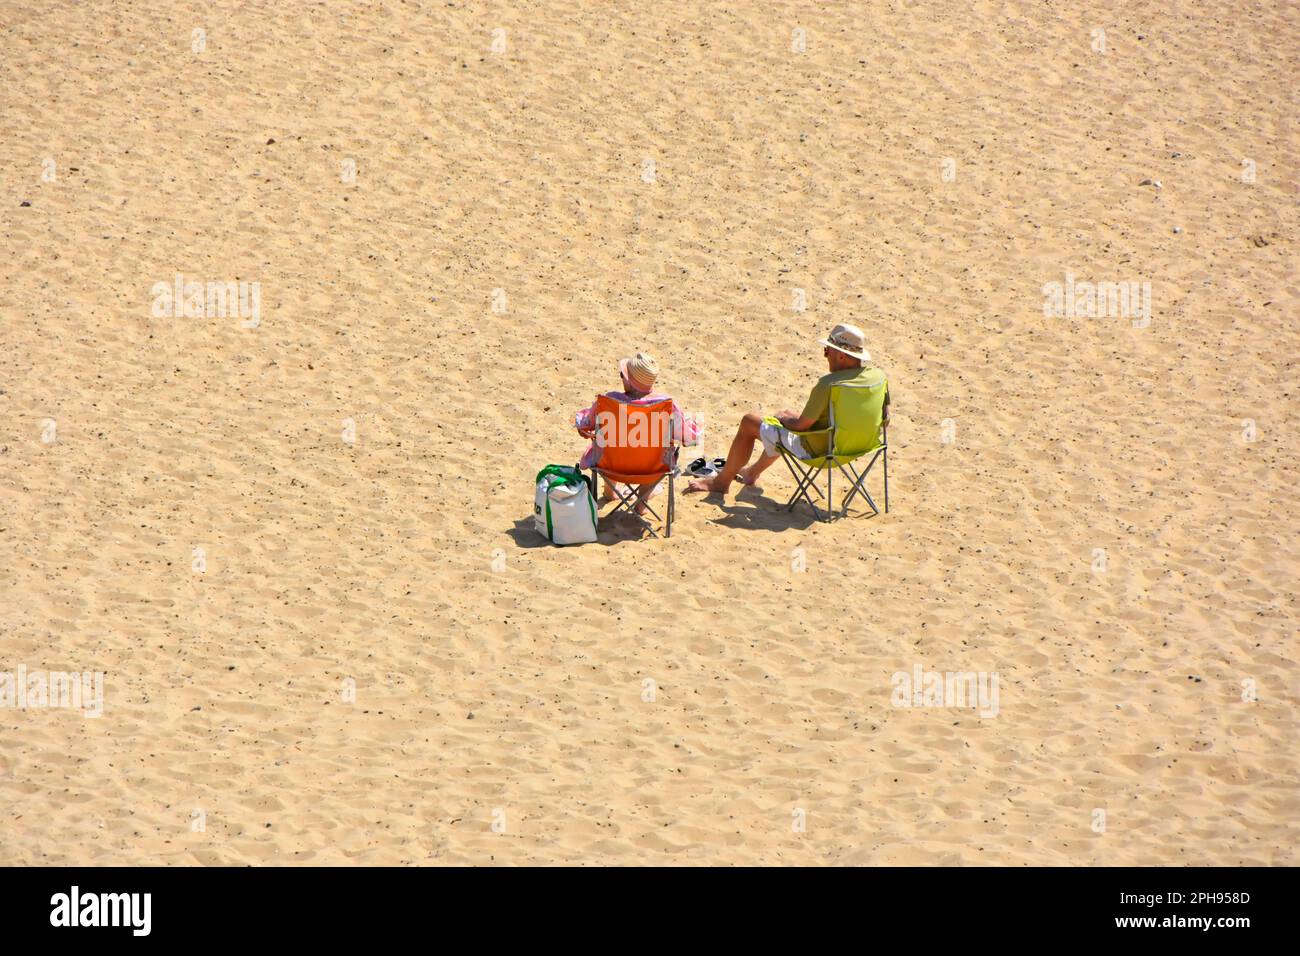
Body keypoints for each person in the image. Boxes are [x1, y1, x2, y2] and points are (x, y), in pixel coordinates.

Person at [685, 324, 888, 494]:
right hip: (861, 447)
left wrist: (784, 419)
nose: (826, 355)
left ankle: (721, 483)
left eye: (827, 350)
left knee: (751, 422)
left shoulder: (829, 384)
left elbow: (800, 427)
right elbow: (886, 418)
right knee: (780, 427)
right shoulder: (878, 377)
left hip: (820, 451)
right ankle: (751, 473)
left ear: (841, 356)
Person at [575, 352, 700, 513]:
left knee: (610, 444)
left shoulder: (608, 401)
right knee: (654, 450)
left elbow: (585, 425)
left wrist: (583, 427)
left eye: (623, 375)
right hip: (652, 469)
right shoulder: (666, 405)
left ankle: (610, 491)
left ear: (629, 382)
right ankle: (642, 502)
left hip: (611, 465)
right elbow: (690, 438)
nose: (621, 378)